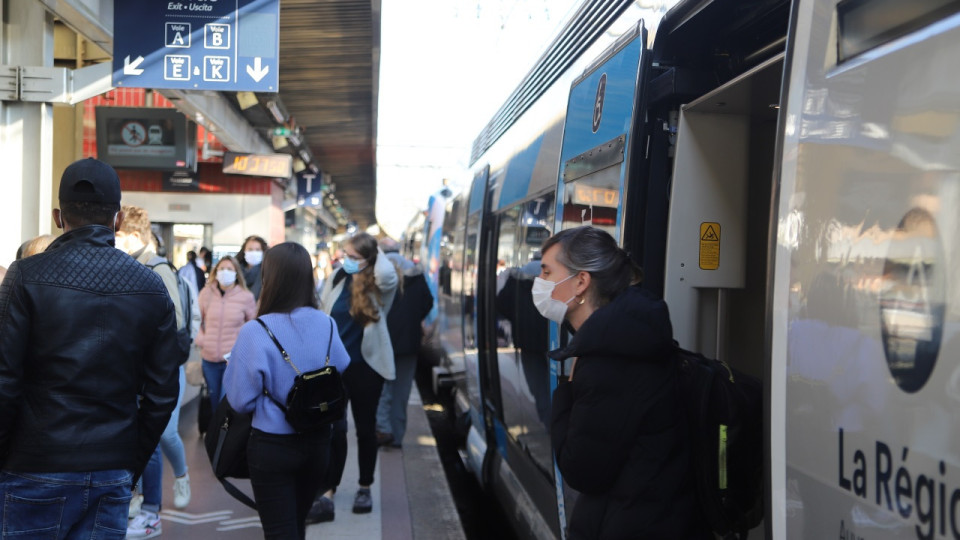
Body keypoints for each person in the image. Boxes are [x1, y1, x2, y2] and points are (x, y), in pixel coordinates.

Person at [0, 158, 180, 538]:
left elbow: (4, 380)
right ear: (117, 219)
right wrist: (130, 464)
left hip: (34, 463)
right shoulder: (151, 287)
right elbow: (162, 394)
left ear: (58, 217)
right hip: (112, 467)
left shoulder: (26, 276)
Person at [539, 226, 707, 539]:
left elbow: (582, 470)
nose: (540, 282)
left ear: (581, 282)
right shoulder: (625, 338)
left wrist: (567, 391)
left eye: (547, 272)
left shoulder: (608, 360)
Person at [223, 242, 350, 539]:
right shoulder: (327, 323)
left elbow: (240, 401)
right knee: (297, 523)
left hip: (272, 446)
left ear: (270, 278)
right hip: (318, 441)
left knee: (280, 531)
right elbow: (342, 365)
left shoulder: (256, 331)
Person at [115, 205, 193, 537]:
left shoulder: (158, 269)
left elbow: (174, 320)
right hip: (137, 369)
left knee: (159, 434)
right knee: (142, 436)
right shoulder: (128, 266)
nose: (114, 240)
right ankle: (142, 501)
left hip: (158, 370)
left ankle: (157, 503)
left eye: (119, 235)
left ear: (134, 235)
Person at [314, 232, 397, 519]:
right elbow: (322, 312)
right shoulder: (337, 277)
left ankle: (365, 487)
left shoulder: (379, 283)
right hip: (334, 368)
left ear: (369, 259)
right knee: (335, 430)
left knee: (365, 429)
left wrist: (375, 248)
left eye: (353, 257)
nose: (346, 261)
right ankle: (329, 489)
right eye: (345, 255)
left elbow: (386, 272)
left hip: (366, 368)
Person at [375, 238, 433, 448]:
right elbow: (428, 302)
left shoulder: (377, 271)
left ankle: (383, 430)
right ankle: (397, 437)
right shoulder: (415, 273)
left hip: (382, 341)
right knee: (402, 391)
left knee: (383, 388)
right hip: (409, 343)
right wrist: (414, 320)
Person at [196, 255, 257, 413]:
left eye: (229, 269)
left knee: (226, 402)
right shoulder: (206, 293)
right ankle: (214, 428)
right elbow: (196, 320)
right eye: (222, 268)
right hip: (209, 359)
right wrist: (202, 340)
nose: (225, 272)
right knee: (213, 402)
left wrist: (242, 350)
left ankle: (224, 428)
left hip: (232, 361)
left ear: (236, 273)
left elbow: (253, 327)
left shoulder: (246, 296)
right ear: (216, 272)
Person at [236, 235, 268, 300]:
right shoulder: (235, 270)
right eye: (250, 249)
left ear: (263, 252)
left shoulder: (267, 272)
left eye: (257, 250)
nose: (253, 252)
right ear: (244, 251)